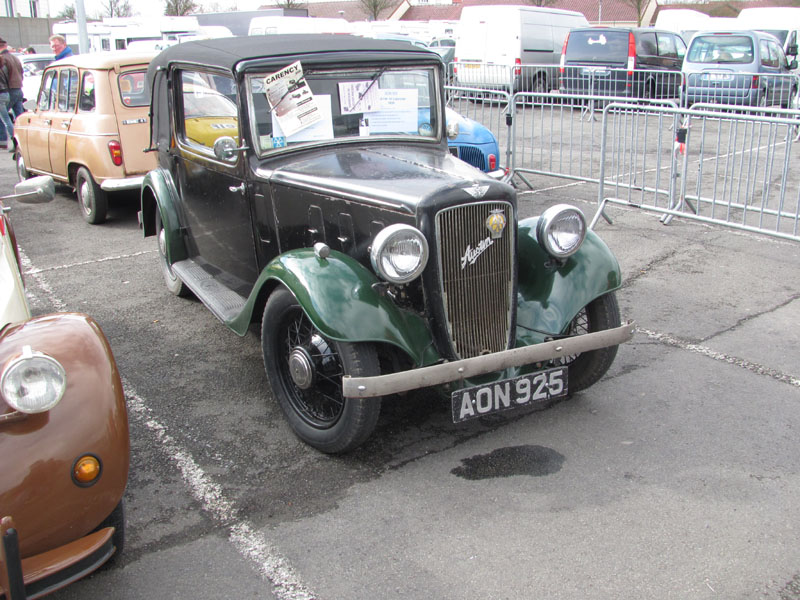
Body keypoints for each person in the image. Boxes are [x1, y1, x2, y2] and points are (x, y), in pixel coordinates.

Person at [0, 38, 24, 119]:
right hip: (19, 88)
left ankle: (9, 132)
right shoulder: (15, 58)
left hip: (10, 89)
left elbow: (4, 76)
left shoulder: (3, 58)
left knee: (4, 119)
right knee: (19, 118)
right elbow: (21, 72)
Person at [0, 50, 14, 152]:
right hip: (6, 93)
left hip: (0, 95)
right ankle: (3, 141)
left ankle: (15, 141)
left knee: (6, 120)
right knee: (5, 118)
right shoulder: (3, 68)